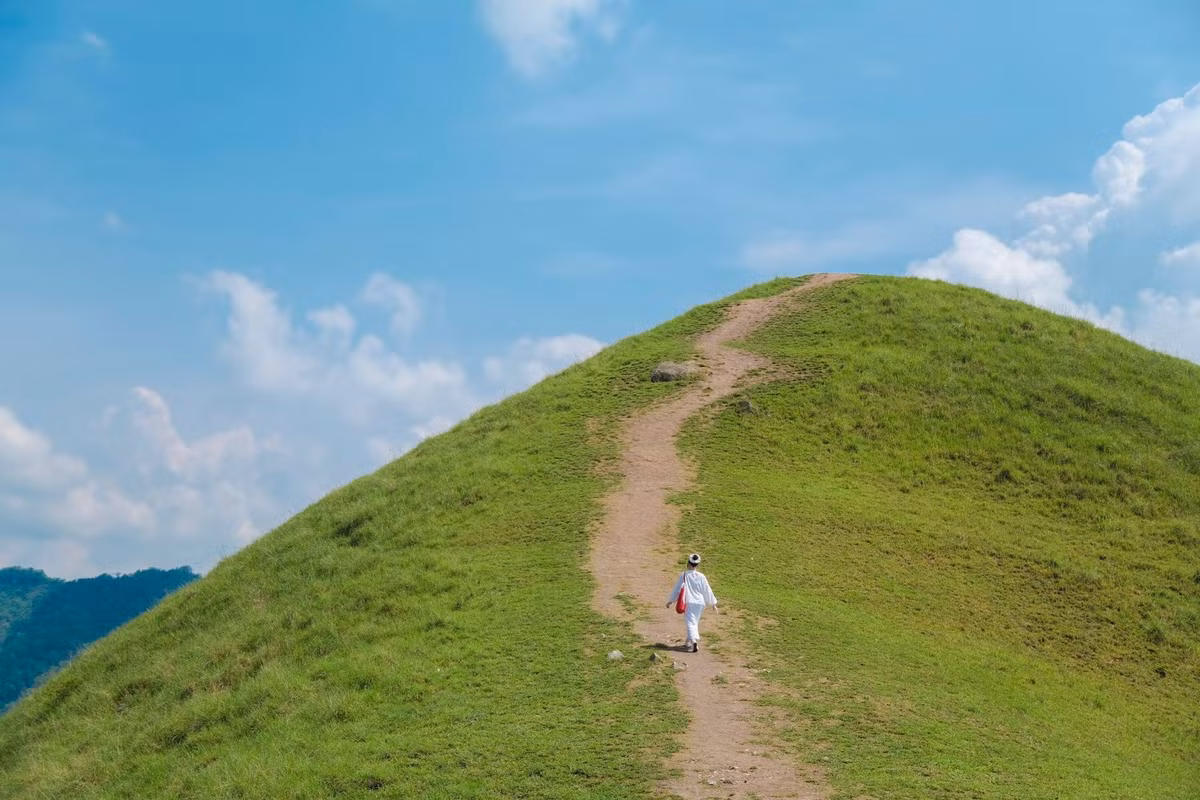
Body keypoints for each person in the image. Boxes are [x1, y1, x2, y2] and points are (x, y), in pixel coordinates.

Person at [665, 553, 718, 653]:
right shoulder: (701, 576)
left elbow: (677, 589)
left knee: (690, 622)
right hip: (700, 603)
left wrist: (671, 601)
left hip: (689, 602)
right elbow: (707, 590)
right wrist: (713, 603)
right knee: (694, 622)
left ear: (688, 563)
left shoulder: (684, 575)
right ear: (697, 564)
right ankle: (688, 641)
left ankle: (694, 642)